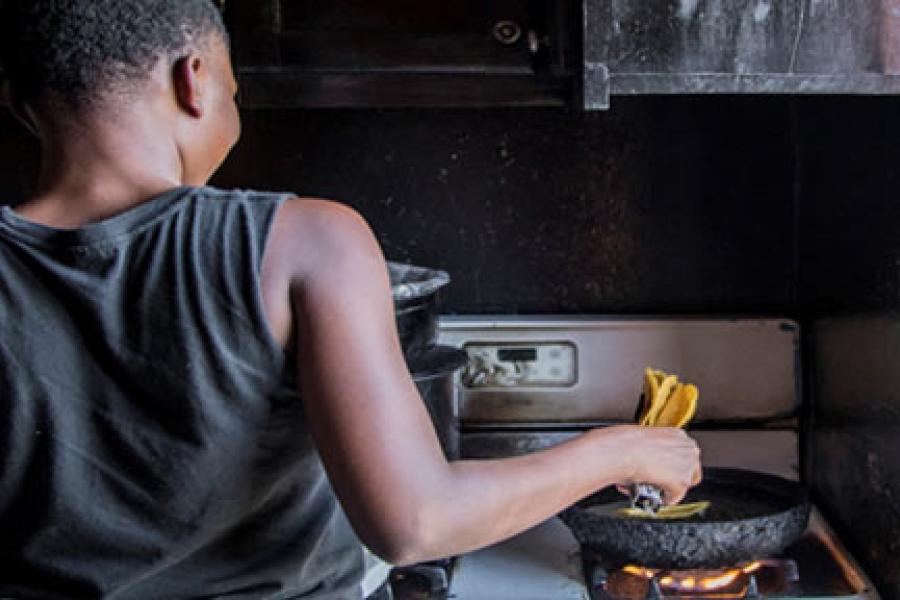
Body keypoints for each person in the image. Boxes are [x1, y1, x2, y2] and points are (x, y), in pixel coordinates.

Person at [0, 1, 702, 598]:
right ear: (196, 81)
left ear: (21, 106)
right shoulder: (305, 242)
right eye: (236, 94)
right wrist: (621, 451)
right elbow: (416, 523)